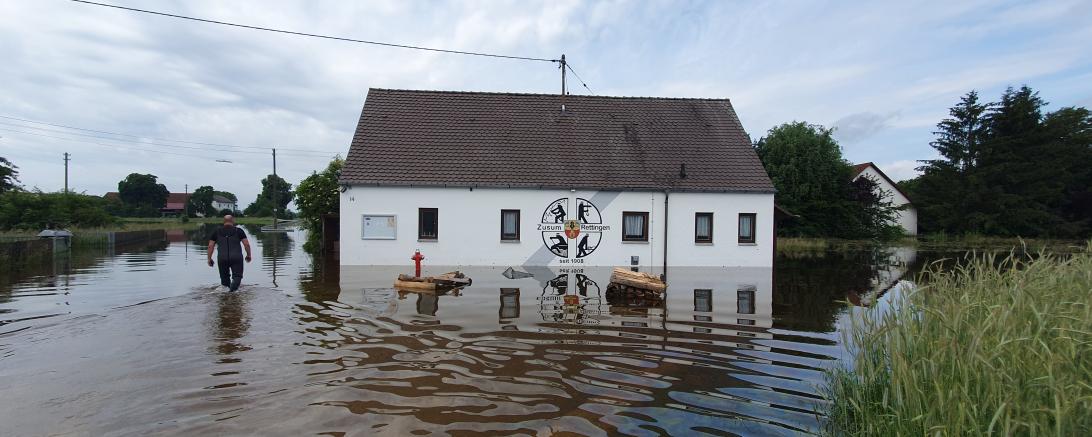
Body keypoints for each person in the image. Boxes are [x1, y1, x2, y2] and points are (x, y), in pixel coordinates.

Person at [207, 215, 252, 291]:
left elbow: (210, 246)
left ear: (223, 221)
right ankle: (232, 293)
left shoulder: (216, 231)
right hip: (236, 258)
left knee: (224, 281)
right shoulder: (239, 231)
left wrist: (209, 258)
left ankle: (226, 297)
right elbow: (246, 244)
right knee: (237, 276)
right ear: (233, 221)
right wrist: (249, 255)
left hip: (222, 258)